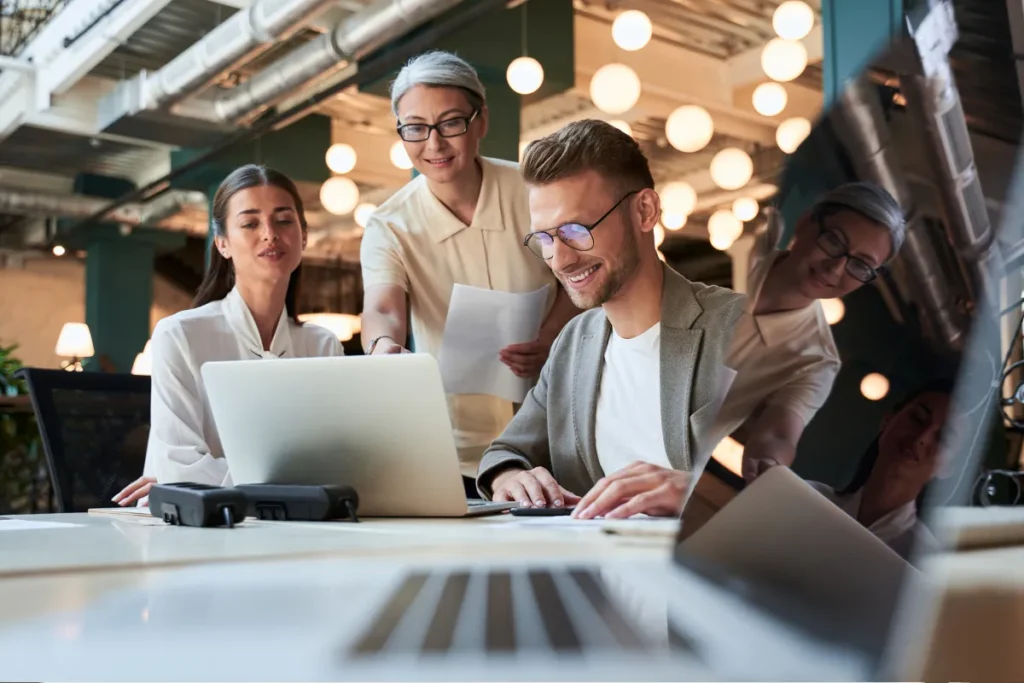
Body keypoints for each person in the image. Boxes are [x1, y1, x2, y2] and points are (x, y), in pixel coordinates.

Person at [475, 119, 746, 520]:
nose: (560, 259)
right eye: (545, 239)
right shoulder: (573, 343)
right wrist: (510, 477)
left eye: (575, 229)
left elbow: (813, 489)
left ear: (645, 211)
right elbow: (506, 452)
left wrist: (699, 491)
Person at [359, 51, 578, 492]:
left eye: (451, 123)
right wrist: (383, 347)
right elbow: (382, 307)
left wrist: (551, 334)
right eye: (415, 128)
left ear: (481, 121)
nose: (434, 144)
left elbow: (579, 276)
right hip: (453, 447)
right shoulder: (390, 225)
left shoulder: (533, 191)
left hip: (556, 428)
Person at [112, 164, 344, 506]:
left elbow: (338, 466)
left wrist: (220, 479)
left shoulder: (323, 345)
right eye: (250, 223)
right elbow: (178, 467)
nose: (269, 233)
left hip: (296, 527)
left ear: (304, 235)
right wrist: (294, 483)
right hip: (201, 531)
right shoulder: (179, 335)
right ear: (222, 243)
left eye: (283, 220)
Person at [710, 182, 906, 483]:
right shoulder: (728, 249)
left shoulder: (816, 361)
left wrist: (770, 460)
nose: (835, 269)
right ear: (806, 222)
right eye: (834, 242)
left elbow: (779, 434)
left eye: (861, 265)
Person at [807, 380, 954, 560]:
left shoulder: (929, 564)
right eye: (918, 418)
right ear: (888, 419)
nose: (922, 438)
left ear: (951, 466)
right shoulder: (806, 501)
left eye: (943, 437)